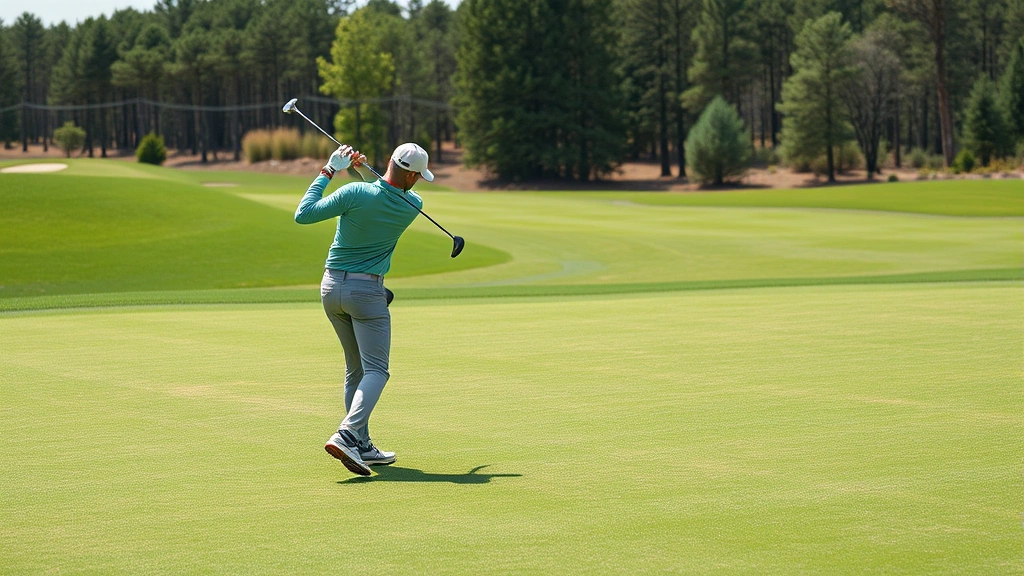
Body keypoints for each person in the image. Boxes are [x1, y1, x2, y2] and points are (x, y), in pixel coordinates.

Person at [294, 142, 434, 476]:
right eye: (418, 176)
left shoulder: (355, 192)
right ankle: (346, 434)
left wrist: (331, 169)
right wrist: (357, 171)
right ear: (413, 176)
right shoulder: (414, 204)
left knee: (355, 370)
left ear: (389, 161)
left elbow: (304, 213)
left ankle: (362, 445)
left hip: (331, 289)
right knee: (377, 371)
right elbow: (382, 196)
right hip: (367, 291)